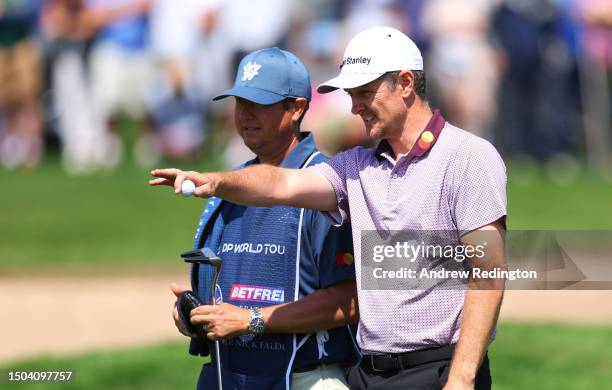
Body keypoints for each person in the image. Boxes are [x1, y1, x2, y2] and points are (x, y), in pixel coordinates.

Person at [151, 27, 507, 390]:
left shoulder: (468, 156)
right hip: (368, 374)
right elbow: (282, 183)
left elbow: (489, 272)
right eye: (351, 95)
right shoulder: (356, 165)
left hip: (438, 369)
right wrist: (216, 181)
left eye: (364, 93)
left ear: (404, 83)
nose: (354, 107)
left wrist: (462, 379)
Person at [161, 47, 360, 390]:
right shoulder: (229, 185)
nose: (246, 114)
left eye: (261, 104)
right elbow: (223, 294)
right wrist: (195, 313)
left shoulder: (325, 184)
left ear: (296, 108)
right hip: (228, 376)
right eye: (240, 102)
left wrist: (251, 321)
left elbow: (349, 300)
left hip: (307, 377)